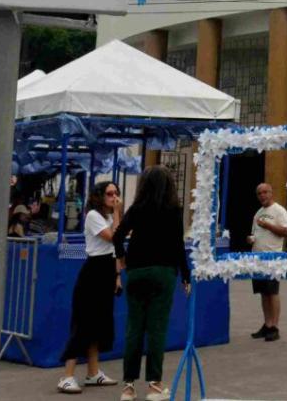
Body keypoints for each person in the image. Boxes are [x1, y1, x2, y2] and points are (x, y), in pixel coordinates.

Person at [113, 166, 189, 401]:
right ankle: (155, 385)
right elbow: (178, 245)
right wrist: (186, 276)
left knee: (134, 328)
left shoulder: (137, 208)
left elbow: (118, 235)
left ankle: (128, 386)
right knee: (156, 328)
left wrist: (122, 258)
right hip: (163, 271)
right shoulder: (173, 209)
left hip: (137, 271)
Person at [59, 181, 123, 394]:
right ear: (99, 196)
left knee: (100, 324)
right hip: (93, 272)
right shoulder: (93, 216)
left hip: (107, 271)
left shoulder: (109, 218)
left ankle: (93, 372)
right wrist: (117, 213)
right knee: (83, 323)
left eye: (116, 193)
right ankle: (67, 376)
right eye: (109, 193)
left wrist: (117, 276)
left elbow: (117, 249)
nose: (114, 197)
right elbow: (114, 238)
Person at [249, 182, 287, 343]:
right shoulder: (258, 213)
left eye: (265, 192)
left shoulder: (279, 211)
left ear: (271, 193)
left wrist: (267, 225)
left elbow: (285, 232)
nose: (262, 196)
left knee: (272, 292)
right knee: (263, 292)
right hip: (257, 258)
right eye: (259, 193)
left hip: (273, 257)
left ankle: (275, 327)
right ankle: (267, 324)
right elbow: (255, 233)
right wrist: (251, 239)